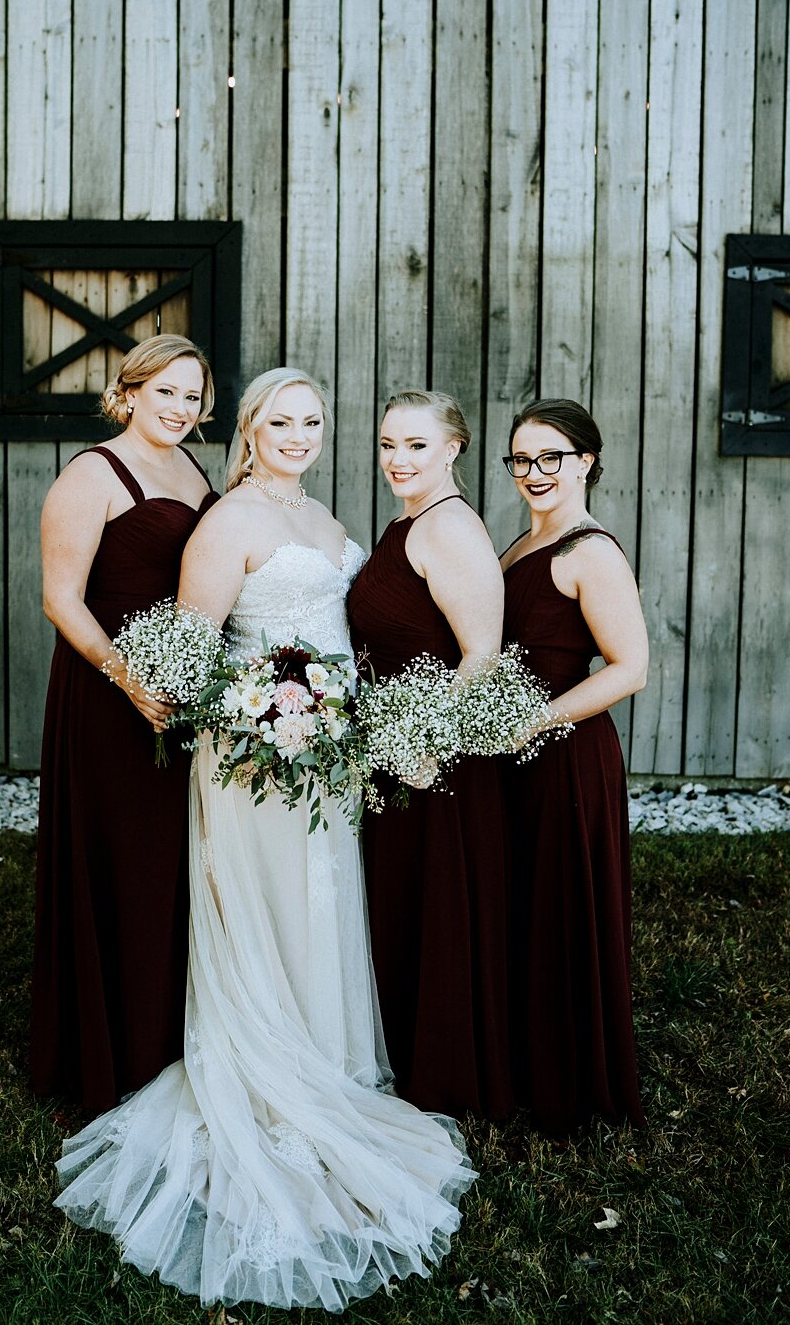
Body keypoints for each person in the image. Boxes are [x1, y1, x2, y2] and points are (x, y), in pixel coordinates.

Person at [53, 368, 473, 1312]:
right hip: (255, 760)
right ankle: (270, 1067)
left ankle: (331, 1060)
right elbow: (194, 654)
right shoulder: (229, 520)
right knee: (268, 906)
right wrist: (260, 716)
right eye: (281, 421)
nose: (299, 434)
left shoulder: (325, 518)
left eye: (314, 421)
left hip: (326, 759)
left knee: (323, 902)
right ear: (248, 429)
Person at [30, 335, 218, 1113]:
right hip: (110, 694)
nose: (179, 408)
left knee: (173, 860)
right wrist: (126, 677)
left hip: (177, 690)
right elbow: (60, 598)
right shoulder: (91, 473)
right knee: (121, 859)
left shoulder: (191, 469)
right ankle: (108, 1047)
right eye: (164, 392)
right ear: (130, 391)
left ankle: (166, 1035)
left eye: (193, 396)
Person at [347, 389, 514, 1120]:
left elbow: (480, 654)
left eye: (415, 446)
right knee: (399, 906)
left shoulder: (451, 530)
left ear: (453, 449)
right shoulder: (404, 522)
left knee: (434, 909)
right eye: (388, 444)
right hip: (392, 747)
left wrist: (424, 742)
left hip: (432, 762)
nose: (397, 460)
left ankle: (443, 1073)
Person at [499, 397, 648, 1133]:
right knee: (525, 906)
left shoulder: (590, 550)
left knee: (561, 911)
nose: (534, 472)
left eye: (550, 457)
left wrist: (535, 721)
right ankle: (522, 1060)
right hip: (517, 758)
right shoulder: (522, 545)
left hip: (565, 757)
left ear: (586, 461)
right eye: (522, 459)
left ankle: (568, 1081)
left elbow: (630, 669)